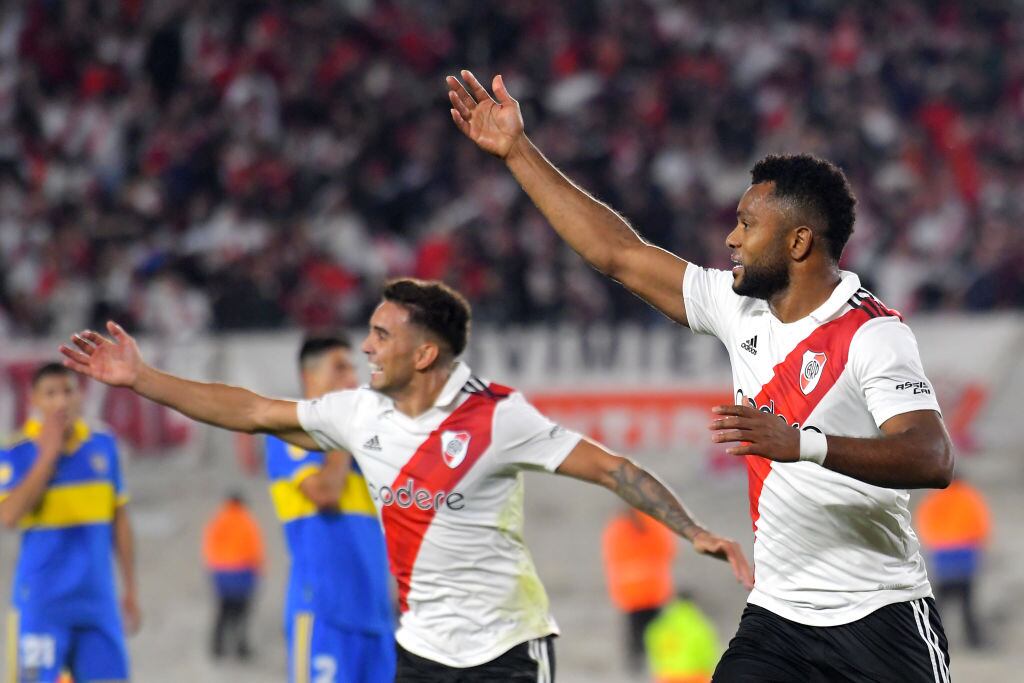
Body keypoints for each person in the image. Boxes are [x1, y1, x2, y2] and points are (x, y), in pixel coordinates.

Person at [447, 70, 955, 682]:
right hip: (779, 617)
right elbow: (619, 254)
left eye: (747, 224)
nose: (731, 237)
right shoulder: (737, 307)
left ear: (798, 242)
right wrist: (518, 152)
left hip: (880, 617)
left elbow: (932, 458)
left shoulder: (872, 334)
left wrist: (803, 445)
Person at [59, 278, 752, 683]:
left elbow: (613, 467)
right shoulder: (359, 414)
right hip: (418, 650)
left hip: (508, 650)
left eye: (381, 335)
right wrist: (143, 379)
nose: (366, 346)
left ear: (424, 353)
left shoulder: (499, 417)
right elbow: (249, 410)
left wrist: (692, 530)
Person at [264, 335, 394, 682]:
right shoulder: (289, 432)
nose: (352, 378)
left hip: (377, 619)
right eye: (340, 368)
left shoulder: (368, 447)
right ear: (309, 377)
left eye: (352, 368)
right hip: (325, 614)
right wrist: (344, 428)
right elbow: (325, 493)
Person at [0, 363, 140, 683]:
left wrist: (130, 588)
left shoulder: (102, 444)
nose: (61, 401)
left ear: (80, 396)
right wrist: (47, 457)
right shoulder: (17, 451)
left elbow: (120, 520)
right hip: (42, 605)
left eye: (68, 391)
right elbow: (8, 516)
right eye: (50, 394)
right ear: (34, 400)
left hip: (97, 603)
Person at [916, 474, 991, 648]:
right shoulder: (969, 496)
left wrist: (935, 541)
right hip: (965, 553)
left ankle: (931, 636)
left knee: (940, 601)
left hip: (943, 554)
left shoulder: (935, 497)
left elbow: (925, 521)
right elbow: (980, 522)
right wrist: (978, 544)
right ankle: (973, 639)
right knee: (966, 601)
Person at [601, 508, 676, 674]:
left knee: (635, 634)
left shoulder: (617, 527)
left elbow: (611, 556)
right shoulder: (654, 524)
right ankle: (654, 665)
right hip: (653, 590)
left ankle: (636, 667)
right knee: (657, 634)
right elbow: (668, 550)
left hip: (630, 592)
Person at [202, 491, 264, 660]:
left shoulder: (219, 519)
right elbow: (255, 548)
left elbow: (209, 545)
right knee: (241, 613)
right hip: (242, 572)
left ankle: (217, 646)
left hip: (221, 572)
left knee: (223, 611)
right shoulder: (246, 521)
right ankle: (240, 647)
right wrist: (259, 570)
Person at [644, 593, 720, 683]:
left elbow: (652, 643)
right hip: (695, 676)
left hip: (668, 676)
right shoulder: (700, 625)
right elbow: (709, 651)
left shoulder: (663, 624)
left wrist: (659, 667)